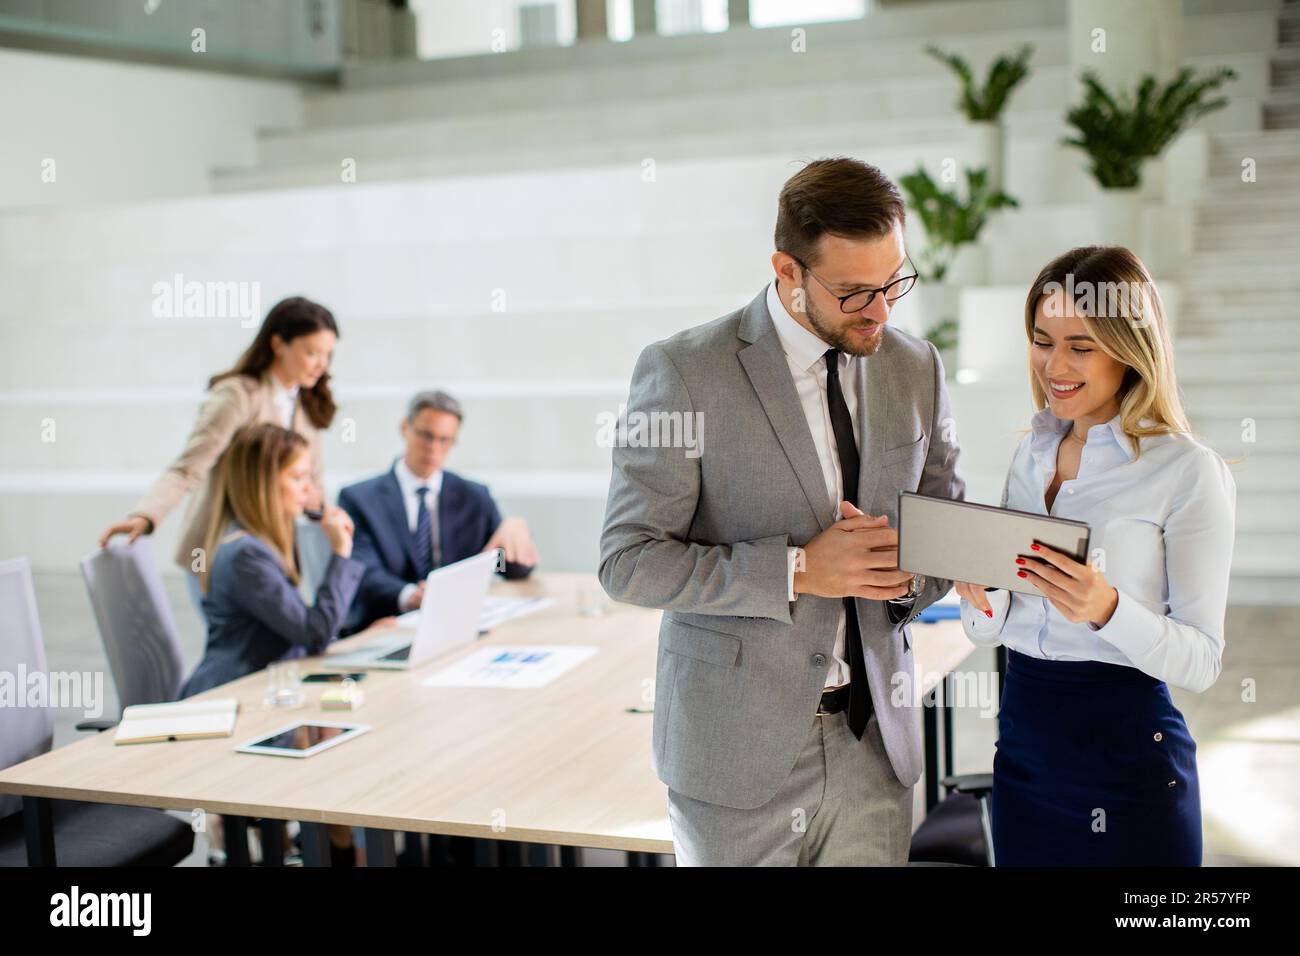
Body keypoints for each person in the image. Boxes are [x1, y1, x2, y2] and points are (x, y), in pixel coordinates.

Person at [599, 157, 965, 865]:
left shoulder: (915, 366)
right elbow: (628, 561)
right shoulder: (684, 372)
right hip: (736, 757)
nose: (882, 311)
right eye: (857, 292)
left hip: (875, 750)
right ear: (787, 271)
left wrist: (913, 575)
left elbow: (944, 515)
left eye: (894, 283)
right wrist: (799, 569)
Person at [955, 245, 1235, 866]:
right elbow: (995, 628)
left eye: (1081, 346)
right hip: (1025, 752)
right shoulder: (1029, 457)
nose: (1056, 365)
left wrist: (1108, 608)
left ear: (1129, 350)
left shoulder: (1188, 472)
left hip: (1130, 766)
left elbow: (1203, 661)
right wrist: (984, 598)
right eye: (1041, 340)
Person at [97, 297, 339, 622]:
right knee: (235, 648)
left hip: (274, 552)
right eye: (312, 352)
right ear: (278, 343)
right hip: (215, 549)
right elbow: (188, 467)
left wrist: (322, 510)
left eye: (327, 355)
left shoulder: (307, 409)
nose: (321, 364)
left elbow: (312, 485)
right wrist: (146, 515)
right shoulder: (238, 396)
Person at [180, 423, 363, 698]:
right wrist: (340, 551)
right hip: (229, 695)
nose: (309, 491)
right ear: (263, 483)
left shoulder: (262, 545)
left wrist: (360, 637)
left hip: (261, 688)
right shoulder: (245, 556)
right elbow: (314, 632)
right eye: (298, 478)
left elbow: (303, 631)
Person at [337, 389, 538, 634]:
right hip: (386, 626)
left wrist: (514, 527)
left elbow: (511, 569)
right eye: (426, 435)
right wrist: (412, 596)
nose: (434, 448)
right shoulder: (358, 498)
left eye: (445, 440)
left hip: (457, 628)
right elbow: (362, 571)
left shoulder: (474, 496)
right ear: (405, 429)